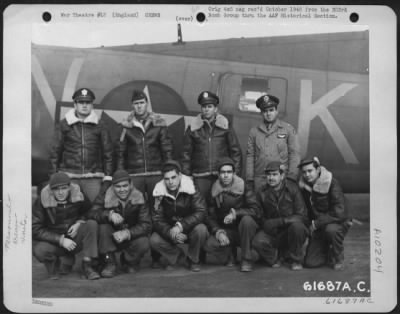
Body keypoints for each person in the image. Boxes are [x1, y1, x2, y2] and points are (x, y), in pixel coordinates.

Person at [117, 90, 173, 267]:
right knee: (135, 216)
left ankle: (157, 256)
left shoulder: (158, 124)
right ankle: (135, 257)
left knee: (157, 214)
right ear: (132, 106)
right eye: (136, 103)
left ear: (146, 103)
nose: (139, 106)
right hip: (135, 176)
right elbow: (120, 153)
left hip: (156, 175)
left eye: (142, 102)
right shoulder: (126, 126)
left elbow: (167, 149)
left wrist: (168, 171)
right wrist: (120, 176)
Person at [49, 87, 113, 202]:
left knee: (95, 209)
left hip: (93, 178)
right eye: (81, 102)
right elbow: (55, 152)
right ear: (75, 104)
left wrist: (108, 177)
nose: (84, 105)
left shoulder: (100, 125)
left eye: (88, 102)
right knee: (70, 211)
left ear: (92, 105)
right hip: (69, 177)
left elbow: (108, 153)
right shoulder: (64, 124)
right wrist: (54, 177)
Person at [32, 172, 100, 280]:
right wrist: (60, 240)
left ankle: (88, 265)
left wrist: (79, 222)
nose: (60, 192)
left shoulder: (78, 193)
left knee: (91, 224)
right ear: (50, 189)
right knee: (39, 250)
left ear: (69, 187)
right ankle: (55, 266)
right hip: (55, 241)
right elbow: (34, 228)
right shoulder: (42, 199)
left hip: (74, 238)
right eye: (56, 189)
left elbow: (90, 211)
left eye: (64, 188)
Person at [89, 170, 151, 278]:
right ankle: (109, 262)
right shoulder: (104, 195)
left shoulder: (139, 197)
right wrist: (109, 214)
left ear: (130, 184)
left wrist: (127, 233)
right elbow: (91, 213)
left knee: (144, 242)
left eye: (125, 186)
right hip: (110, 236)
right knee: (102, 227)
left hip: (129, 236)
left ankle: (128, 261)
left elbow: (146, 224)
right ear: (113, 186)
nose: (122, 190)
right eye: (118, 187)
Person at [181, 91, 242, 199]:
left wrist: (234, 174)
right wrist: (187, 176)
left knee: (220, 207)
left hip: (221, 176)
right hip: (200, 177)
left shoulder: (225, 127)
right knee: (201, 207)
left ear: (215, 109)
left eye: (210, 106)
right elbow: (186, 154)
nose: (206, 109)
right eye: (204, 106)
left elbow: (235, 151)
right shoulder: (193, 128)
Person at [150, 160, 208, 272]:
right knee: (154, 240)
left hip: (190, 228)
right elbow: (157, 219)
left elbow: (201, 211)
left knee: (201, 230)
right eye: (167, 179)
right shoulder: (158, 191)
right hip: (171, 230)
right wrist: (170, 232)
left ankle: (193, 259)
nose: (170, 182)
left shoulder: (191, 187)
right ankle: (178, 255)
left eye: (173, 177)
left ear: (180, 176)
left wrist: (181, 226)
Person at [203, 157, 260, 272]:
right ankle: (230, 255)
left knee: (247, 220)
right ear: (218, 174)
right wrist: (218, 232)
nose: (226, 175)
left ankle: (246, 259)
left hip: (245, 231)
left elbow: (256, 210)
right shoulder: (214, 190)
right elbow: (210, 216)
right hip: (228, 231)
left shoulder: (243, 186)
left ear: (234, 173)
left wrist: (236, 214)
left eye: (229, 172)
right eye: (223, 172)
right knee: (209, 244)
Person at [252, 161, 308, 270]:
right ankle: (276, 257)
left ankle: (296, 260)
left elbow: (302, 216)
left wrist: (280, 221)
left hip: (290, 229)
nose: (271, 178)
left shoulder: (293, 189)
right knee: (257, 241)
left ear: (282, 176)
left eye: (274, 174)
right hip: (274, 232)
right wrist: (265, 224)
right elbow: (258, 214)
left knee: (298, 227)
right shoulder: (261, 192)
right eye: (268, 175)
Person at [298, 157, 351, 270]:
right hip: (319, 226)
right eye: (304, 172)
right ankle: (327, 250)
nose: (307, 174)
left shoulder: (331, 183)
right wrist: (308, 225)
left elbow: (339, 212)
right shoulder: (304, 187)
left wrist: (317, 223)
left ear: (317, 170)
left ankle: (338, 257)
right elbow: (305, 211)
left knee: (331, 230)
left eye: (310, 171)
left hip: (336, 222)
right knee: (311, 263)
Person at [246, 94, 300, 193]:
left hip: (281, 178)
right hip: (260, 178)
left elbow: (294, 154)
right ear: (261, 113)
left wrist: (292, 177)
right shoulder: (254, 131)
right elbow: (250, 155)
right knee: (258, 206)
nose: (268, 113)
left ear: (276, 111)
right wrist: (250, 178)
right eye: (265, 111)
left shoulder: (287, 129)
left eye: (271, 110)